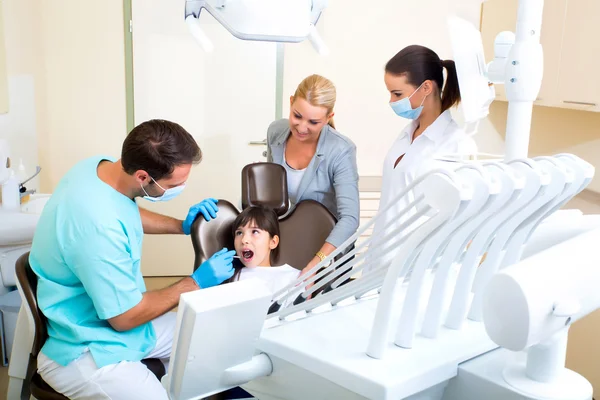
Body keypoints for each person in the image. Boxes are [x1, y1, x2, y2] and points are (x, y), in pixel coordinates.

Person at [30, 119, 236, 399]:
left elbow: (123, 211)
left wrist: (182, 226)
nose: (182, 187)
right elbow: (124, 318)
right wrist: (195, 283)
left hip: (116, 323)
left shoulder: (98, 169)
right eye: (174, 184)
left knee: (209, 333)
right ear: (143, 177)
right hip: (85, 347)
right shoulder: (97, 229)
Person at [365, 45, 477, 274]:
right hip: (380, 258)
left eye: (397, 94)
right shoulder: (406, 134)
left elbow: (463, 219)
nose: (391, 101)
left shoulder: (456, 145)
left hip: (417, 267)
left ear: (426, 87)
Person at [266, 74, 360, 277]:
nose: (301, 127)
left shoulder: (341, 150)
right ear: (291, 102)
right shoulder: (276, 132)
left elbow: (350, 219)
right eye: (297, 116)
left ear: (328, 117)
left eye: (314, 122)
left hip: (330, 250)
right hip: (295, 240)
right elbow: (270, 195)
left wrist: (317, 263)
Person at [228, 205, 300, 297]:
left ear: (273, 242)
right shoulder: (229, 278)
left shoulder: (294, 278)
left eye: (255, 232)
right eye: (239, 233)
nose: (244, 240)